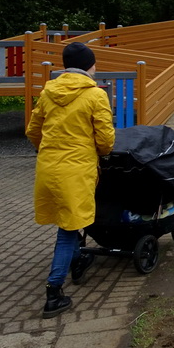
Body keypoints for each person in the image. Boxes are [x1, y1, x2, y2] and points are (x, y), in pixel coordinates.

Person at [26, 41, 115, 318]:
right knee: (67, 231)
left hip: (48, 167)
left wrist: (48, 150)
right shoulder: (94, 95)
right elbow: (105, 138)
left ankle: (79, 260)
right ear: (90, 64)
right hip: (76, 169)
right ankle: (54, 292)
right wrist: (101, 153)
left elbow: (33, 131)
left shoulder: (48, 92)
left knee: (69, 219)